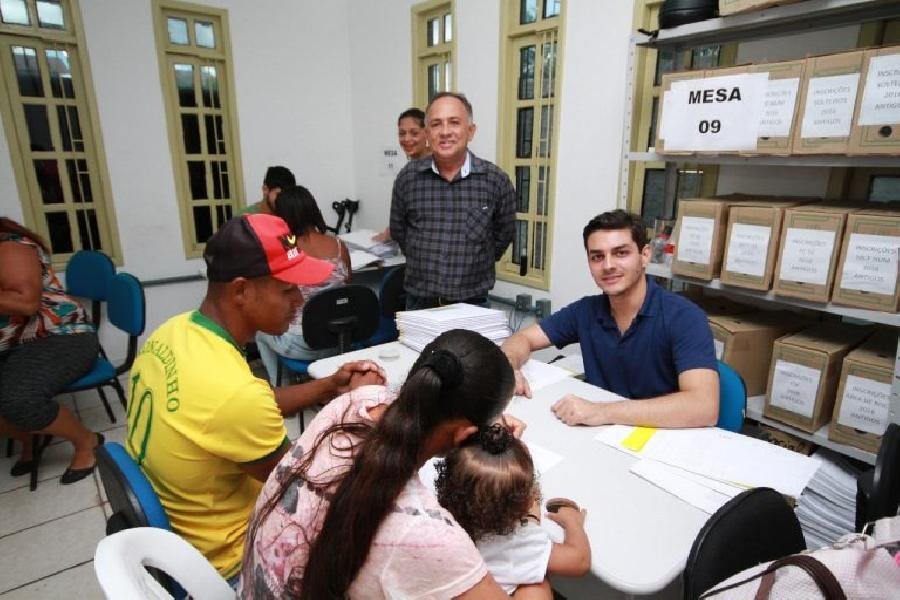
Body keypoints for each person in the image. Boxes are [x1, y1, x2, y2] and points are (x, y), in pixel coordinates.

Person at [126, 213, 383, 583]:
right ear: (241, 291)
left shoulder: (175, 332)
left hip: (181, 528)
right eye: (287, 290)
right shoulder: (233, 395)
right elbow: (303, 491)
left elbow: (252, 404)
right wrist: (361, 409)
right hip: (228, 560)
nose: (299, 301)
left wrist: (328, 386)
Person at [242, 329, 545, 599]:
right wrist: (530, 528)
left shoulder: (354, 403)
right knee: (535, 587)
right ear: (465, 434)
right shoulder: (429, 536)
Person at [501, 210, 719, 428]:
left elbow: (704, 407)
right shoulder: (586, 310)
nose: (608, 266)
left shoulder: (684, 317)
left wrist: (602, 412)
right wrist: (509, 367)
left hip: (662, 437)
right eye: (597, 257)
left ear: (644, 256)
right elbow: (523, 339)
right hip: (604, 435)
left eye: (621, 253)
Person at [0, 217, 103, 484]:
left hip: (59, 335)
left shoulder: (11, 247)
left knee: (18, 399)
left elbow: (25, 304)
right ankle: (29, 437)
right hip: (14, 343)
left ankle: (86, 441)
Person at [390, 92, 516, 309]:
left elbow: (503, 235)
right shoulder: (408, 178)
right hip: (419, 304)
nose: (445, 132)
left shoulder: (495, 181)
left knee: (471, 346)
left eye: (454, 123)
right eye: (437, 124)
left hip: (473, 304)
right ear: (428, 132)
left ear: (471, 130)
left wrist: (474, 265)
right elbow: (400, 231)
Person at [436, 424, 591, 595]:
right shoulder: (518, 542)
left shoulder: (437, 521)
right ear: (527, 502)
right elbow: (580, 561)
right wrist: (573, 522)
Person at [255, 185, 352, 385]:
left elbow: (276, 291)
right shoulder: (338, 245)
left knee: (260, 330)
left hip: (303, 343)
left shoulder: (286, 247)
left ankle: (281, 388)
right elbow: (347, 284)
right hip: (343, 338)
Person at [373, 107, 430, 243]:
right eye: (402, 133)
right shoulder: (408, 172)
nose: (406, 139)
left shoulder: (432, 167)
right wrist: (390, 231)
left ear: (427, 133)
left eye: (414, 133)